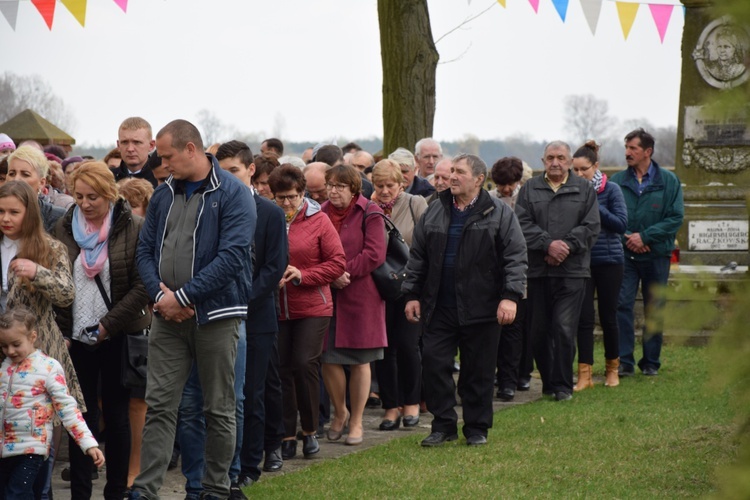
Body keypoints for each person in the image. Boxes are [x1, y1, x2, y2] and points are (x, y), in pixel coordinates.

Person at [132, 119, 256, 500]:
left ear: (191, 149)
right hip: (168, 317)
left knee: (219, 409)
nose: (163, 164)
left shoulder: (234, 194)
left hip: (216, 317)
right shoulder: (164, 194)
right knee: (161, 406)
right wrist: (161, 296)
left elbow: (232, 257)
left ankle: (216, 489)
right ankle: (146, 490)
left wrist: (182, 298)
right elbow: (145, 250)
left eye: (168, 156)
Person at [403, 154, 527, 446]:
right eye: (451, 172)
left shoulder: (498, 212)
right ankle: (443, 425)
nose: (452, 177)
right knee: (433, 365)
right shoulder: (434, 208)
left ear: (479, 179)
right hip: (439, 306)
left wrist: (510, 297)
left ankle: (476, 428)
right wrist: (411, 293)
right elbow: (418, 256)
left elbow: (516, 256)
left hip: (482, 306)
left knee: (478, 372)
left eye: (459, 172)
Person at [53, 161, 152, 499]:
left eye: (92, 196)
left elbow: (143, 286)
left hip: (118, 334)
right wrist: (63, 330)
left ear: (110, 194)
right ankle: (80, 491)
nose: (84, 203)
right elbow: (58, 283)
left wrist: (109, 324)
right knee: (81, 416)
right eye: (78, 196)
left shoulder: (134, 227)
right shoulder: (63, 228)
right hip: (76, 338)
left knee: (117, 414)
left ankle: (116, 491)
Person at [212, 142, 289, 490]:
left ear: (250, 171)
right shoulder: (213, 208)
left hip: (256, 315)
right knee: (220, 395)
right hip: (216, 314)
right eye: (221, 171)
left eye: (233, 171)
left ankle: (250, 464)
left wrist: (243, 299)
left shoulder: (270, 213)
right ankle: (221, 463)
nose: (226, 178)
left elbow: (274, 267)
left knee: (251, 392)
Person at [0, 180, 83, 495]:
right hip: (2, 360)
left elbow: (66, 294)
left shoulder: (50, 248)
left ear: (30, 213)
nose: (6, 218)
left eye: (14, 212)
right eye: (1, 211)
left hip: (38, 354)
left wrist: (38, 272)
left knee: (37, 451)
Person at [268, 164, 346, 460]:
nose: (286, 203)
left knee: (303, 364)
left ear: (302, 193)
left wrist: (303, 274)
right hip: (277, 307)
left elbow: (338, 262)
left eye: (291, 197)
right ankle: (287, 435)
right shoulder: (269, 219)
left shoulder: (319, 220)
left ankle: (311, 430)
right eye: (280, 198)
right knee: (282, 369)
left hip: (313, 305)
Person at [515, 141, 600, 402]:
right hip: (538, 271)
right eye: (550, 157)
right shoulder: (530, 189)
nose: (555, 162)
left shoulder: (584, 189)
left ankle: (563, 385)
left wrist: (566, 247)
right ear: (543, 161)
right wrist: (547, 245)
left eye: (561, 157)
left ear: (569, 161)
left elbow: (591, 225)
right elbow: (521, 223)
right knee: (538, 331)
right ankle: (549, 383)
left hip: (572, 272)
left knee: (564, 328)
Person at [0, 307, 104, 499]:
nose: (10, 351)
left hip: (32, 448)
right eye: (4, 346)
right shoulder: (4, 367)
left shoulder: (48, 367)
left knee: (17, 494)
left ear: (32, 336)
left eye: (15, 344)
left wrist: (88, 444)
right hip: (5, 449)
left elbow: (68, 409)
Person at [320, 165, 387, 446]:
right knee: (328, 357)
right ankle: (340, 413)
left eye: (340, 186)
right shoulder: (318, 212)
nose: (333, 191)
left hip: (361, 295)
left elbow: (375, 253)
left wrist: (342, 271)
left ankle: (357, 421)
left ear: (354, 189)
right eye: (330, 185)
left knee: (360, 360)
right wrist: (331, 274)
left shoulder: (371, 212)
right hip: (326, 293)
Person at [610, 128, 684, 377]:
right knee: (622, 305)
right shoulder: (617, 182)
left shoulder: (669, 181)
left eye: (633, 148)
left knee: (655, 307)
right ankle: (625, 362)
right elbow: (607, 216)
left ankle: (651, 361)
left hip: (656, 255)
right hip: (625, 255)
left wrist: (646, 237)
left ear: (648, 152)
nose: (627, 153)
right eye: (626, 147)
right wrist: (628, 238)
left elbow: (675, 217)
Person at [368, 160, 427, 431]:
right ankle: (391, 407)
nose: (384, 191)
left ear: (401, 183)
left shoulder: (415, 204)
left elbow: (427, 243)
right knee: (385, 349)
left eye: (389, 185)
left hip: (411, 285)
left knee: (408, 345)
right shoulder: (369, 209)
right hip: (380, 287)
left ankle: (412, 401)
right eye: (379, 185)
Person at [489, 157, 528, 401]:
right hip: (492, 271)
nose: (506, 189)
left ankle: (509, 380)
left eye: (510, 184)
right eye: (502, 184)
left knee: (515, 329)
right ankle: (492, 374)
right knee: (494, 329)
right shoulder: (489, 200)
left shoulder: (525, 199)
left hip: (518, 270)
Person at [6, 146, 66, 233]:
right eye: (12, 173)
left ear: (41, 183)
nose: (16, 179)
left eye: (25, 174)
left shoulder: (57, 217)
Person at [112, 117, 157, 187]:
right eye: (125, 142)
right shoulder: (107, 180)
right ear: (118, 145)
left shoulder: (162, 179)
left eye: (137, 142)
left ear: (151, 145)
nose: (130, 149)